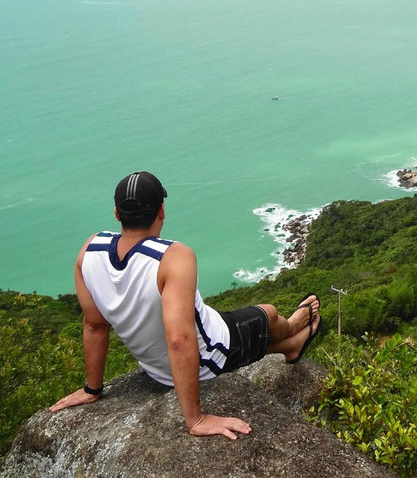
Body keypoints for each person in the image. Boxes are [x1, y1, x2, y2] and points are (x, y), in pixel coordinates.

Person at [49, 171, 321, 439]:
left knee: (240, 322)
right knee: (269, 313)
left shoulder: (90, 250)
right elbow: (179, 340)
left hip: (155, 367)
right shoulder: (172, 256)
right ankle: (294, 327)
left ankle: (291, 347)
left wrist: (92, 390)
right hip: (208, 356)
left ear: (117, 214)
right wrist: (196, 419)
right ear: (162, 211)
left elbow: (95, 326)